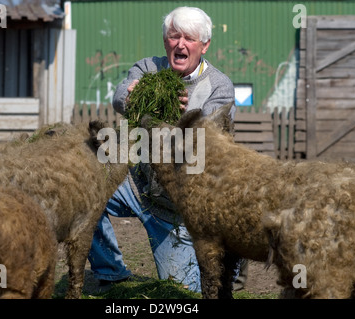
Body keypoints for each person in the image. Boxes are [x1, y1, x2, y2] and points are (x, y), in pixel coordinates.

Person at [88, 6, 239, 293]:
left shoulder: (219, 87)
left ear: (204, 45)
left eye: (189, 38)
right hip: (134, 183)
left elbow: (202, 145)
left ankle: (226, 250)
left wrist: (170, 117)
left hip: (175, 209)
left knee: (182, 293)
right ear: (165, 40)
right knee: (85, 189)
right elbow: (120, 97)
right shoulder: (149, 68)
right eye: (174, 36)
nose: (180, 44)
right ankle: (110, 272)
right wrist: (136, 96)